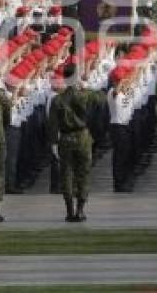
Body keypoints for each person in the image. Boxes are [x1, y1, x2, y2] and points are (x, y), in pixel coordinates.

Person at [48, 63, 101, 222]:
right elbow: (100, 102)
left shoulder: (57, 100)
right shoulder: (85, 95)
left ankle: (69, 210)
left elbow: (52, 125)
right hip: (83, 136)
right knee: (83, 173)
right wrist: (84, 86)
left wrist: (53, 142)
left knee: (67, 174)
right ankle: (80, 210)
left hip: (65, 138)